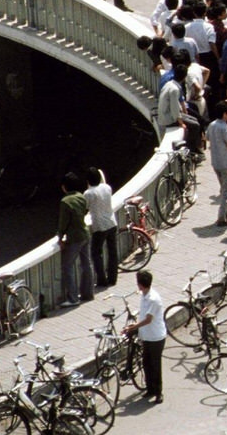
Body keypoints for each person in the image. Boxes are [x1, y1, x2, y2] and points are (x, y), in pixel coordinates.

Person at [122, 270, 167, 403]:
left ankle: (158, 392)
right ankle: (150, 389)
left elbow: (148, 319)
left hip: (156, 337)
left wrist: (133, 327)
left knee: (155, 365)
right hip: (146, 335)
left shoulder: (153, 299)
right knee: (146, 363)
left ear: (141, 284)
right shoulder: (144, 295)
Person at [57, 172, 94, 307]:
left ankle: (73, 298)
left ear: (64, 187)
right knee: (86, 264)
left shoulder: (65, 202)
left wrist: (60, 237)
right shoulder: (81, 197)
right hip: (85, 234)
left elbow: (63, 223)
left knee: (67, 267)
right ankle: (88, 293)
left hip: (74, 237)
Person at [207, 101, 227, 226]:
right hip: (226, 163)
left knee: (224, 187)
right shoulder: (225, 128)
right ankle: (222, 216)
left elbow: (208, 138)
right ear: (225, 114)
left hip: (215, 162)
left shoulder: (211, 125)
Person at [84, 168, 117, 287]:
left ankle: (102, 280)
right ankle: (113, 278)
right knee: (112, 251)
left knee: (96, 252)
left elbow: (85, 208)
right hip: (112, 222)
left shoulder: (89, 193)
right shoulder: (107, 187)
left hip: (99, 226)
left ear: (88, 180)